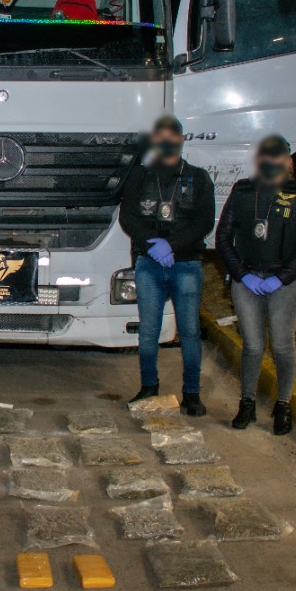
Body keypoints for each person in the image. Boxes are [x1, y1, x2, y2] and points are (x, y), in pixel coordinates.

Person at [215, 134, 296, 435]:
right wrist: (242, 275)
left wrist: (281, 278)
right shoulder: (243, 191)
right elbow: (223, 238)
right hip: (248, 280)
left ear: (287, 160)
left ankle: (283, 405)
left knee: (282, 345)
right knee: (252, 345)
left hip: (286, 283)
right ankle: (247, 403)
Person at [119, 115, 215, 415]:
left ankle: (192, 394)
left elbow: (204, 221)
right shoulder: (140, 175)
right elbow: (128, 217)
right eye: (161, 140)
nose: (167, 144)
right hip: (149, 263)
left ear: (182, 140)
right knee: (148, 332)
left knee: (189, 331)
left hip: (185, 264)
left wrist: (171, 246)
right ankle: (149, 387)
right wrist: (154, 246)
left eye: (172, 139)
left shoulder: (198, 177)